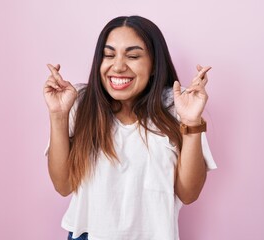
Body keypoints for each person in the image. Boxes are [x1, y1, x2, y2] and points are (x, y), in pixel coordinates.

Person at [43, 15, 217, 240]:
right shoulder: (80, 102)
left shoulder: (178, 105)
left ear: (154, 64)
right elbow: (63, 185)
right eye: (108, 55)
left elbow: (189, 194)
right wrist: (58, 116)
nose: (118, 66)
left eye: (133, 56)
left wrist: (192, 122)